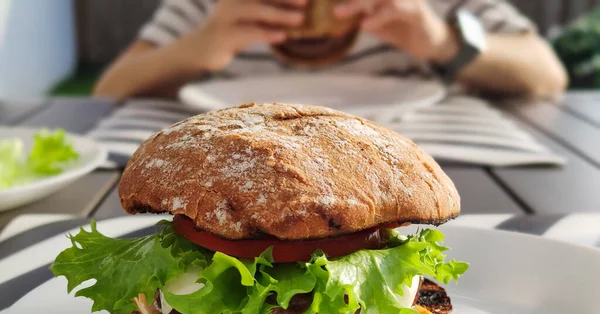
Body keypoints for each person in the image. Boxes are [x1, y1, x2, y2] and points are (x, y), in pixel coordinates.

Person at [93, 0, 568, 100]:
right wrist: (201, 45)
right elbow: (110, 88)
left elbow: (546, 73)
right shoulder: (212, 5)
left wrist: (441, 40)